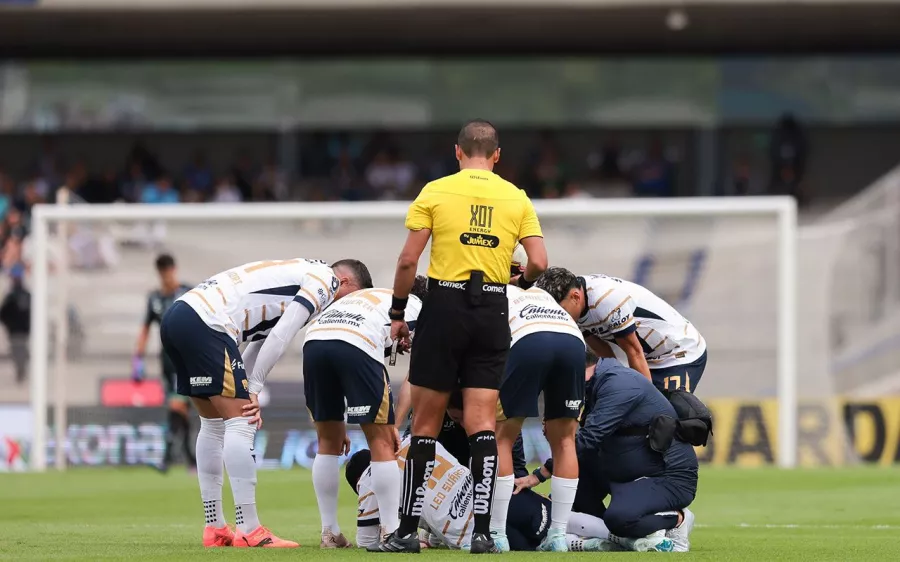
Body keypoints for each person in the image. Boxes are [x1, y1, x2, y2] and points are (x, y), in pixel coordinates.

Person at [377, 119, 548, 554]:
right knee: (482, 424)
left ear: (457, 152)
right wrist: (521, 280)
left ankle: (406, 532)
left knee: (429, 425)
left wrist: (398, 312)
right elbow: (541, 263)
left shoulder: (435, 191)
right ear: (497, 155)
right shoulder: (516, 196)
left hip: (444, 306)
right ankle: (483, 533)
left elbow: (406, 262)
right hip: (492, 307)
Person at [160, 258, 371, 548]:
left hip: (181, 316)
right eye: (353, 298)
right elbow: (282, 335)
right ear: (345, 281)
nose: (347, 307)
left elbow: (263, 336)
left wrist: (246, 383)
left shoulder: (301, 272)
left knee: (213, 423)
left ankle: (215, 527)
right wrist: (254, 388)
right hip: (208, 322)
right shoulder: (326, 280)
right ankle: (250, 530)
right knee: (242, 421)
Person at [517, 356, 698, 553]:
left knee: (619, 520)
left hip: (667, 476)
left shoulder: (620, 385)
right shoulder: (597, 383)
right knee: (570, 497)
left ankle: (677, 518)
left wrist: (540, 474)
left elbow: (588, 438)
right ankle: (625, 537)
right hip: (625, 468)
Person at [301, 276, 428, 548]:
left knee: (328, 442)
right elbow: (418, 371)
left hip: (313, 340)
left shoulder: (372, 298)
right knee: (381, 442)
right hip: (356, 340)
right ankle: (392, 532)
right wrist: (393, 422)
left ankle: (330, 533)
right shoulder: (420, 306)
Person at [346, 437, 611, 552]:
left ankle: (591, 544)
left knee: (542, 544)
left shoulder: (371, 478)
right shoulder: (419, 442)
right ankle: (626, 536)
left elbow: (368, 540)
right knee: (558, 521)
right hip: (494, 499)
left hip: (471, 533)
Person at [489, 283, 586, 552]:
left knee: (502, 438)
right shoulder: (539, 293)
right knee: (566, 440)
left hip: (529, 340)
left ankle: (497, 535)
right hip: (573, 341)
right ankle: (557, 536)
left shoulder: (492, 290)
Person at [536, 268, 707, 393]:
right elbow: (605, 354)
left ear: (575, 296)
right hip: (648, 358)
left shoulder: (605, 299)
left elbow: (634, 351)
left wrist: (645, 401)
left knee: (666, 422)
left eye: (561, 311)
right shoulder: (575, 308)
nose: (558, 317)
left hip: (679, 352)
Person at [132, 254, 194, 472]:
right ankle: (190, 458)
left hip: (186, 357)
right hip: (166, 360)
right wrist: (137, 358)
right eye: (162, 272)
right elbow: (145, 328)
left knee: (176, 405)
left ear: (174, 270)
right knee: (181, 408)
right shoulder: (154, 299)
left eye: (168, 270)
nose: (166, 275)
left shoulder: (188, 292)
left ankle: (168, 456)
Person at [0, 264, 30, 385]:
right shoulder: (24, 295)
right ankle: (21, 371)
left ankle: (21, 372)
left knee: (18, 350)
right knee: (20, 350)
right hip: (20, 329)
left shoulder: (13, 296)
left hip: (17, 330)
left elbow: (3, 313)